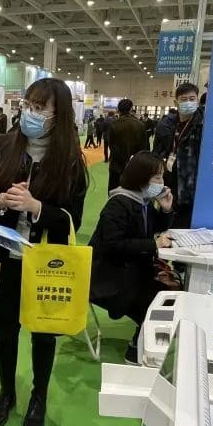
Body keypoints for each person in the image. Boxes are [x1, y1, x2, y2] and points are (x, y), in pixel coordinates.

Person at [0, 78, 88, 426]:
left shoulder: (70, 160)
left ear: (58, 114)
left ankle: (39, 396)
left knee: (43, 332)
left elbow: (74, 219)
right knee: (4, 331)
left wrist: (37, 207)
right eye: (29, 105)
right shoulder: (3, 147)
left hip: (46, 263)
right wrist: (0, 201)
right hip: (4, 256)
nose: (31, 114)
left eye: (40, 108)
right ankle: (7, 393)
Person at [89, 152, 175, 364]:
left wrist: (166, 210)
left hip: (130, 272)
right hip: (108, 278)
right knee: (157, 304)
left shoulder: (142, 202)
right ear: (140, 177)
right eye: (157, 177)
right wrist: (153, 244)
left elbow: (154, 228)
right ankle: (136, 351)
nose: (161, 182)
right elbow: (113, 245)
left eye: (162, 177)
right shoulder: (118, 204)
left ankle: (143, 342)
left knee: (170, 295)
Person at [153, 83, 204, 228]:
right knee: (166, 222)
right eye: (184, 99)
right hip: (169, 180)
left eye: (192, 99)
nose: (188, 102)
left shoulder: (201, 125)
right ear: (176, 103)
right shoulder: (168, 124)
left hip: (189, 188)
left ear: (197, 101)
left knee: (181, 225)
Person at [107, 99, 148, 191]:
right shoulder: (140, 125)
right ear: (131, 109)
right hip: (134, 165)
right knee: (132, 192)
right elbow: (143, 148)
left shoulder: (114, 124)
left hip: (116, 166)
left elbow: (112, 146)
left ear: (118, 110)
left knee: (114, 191)